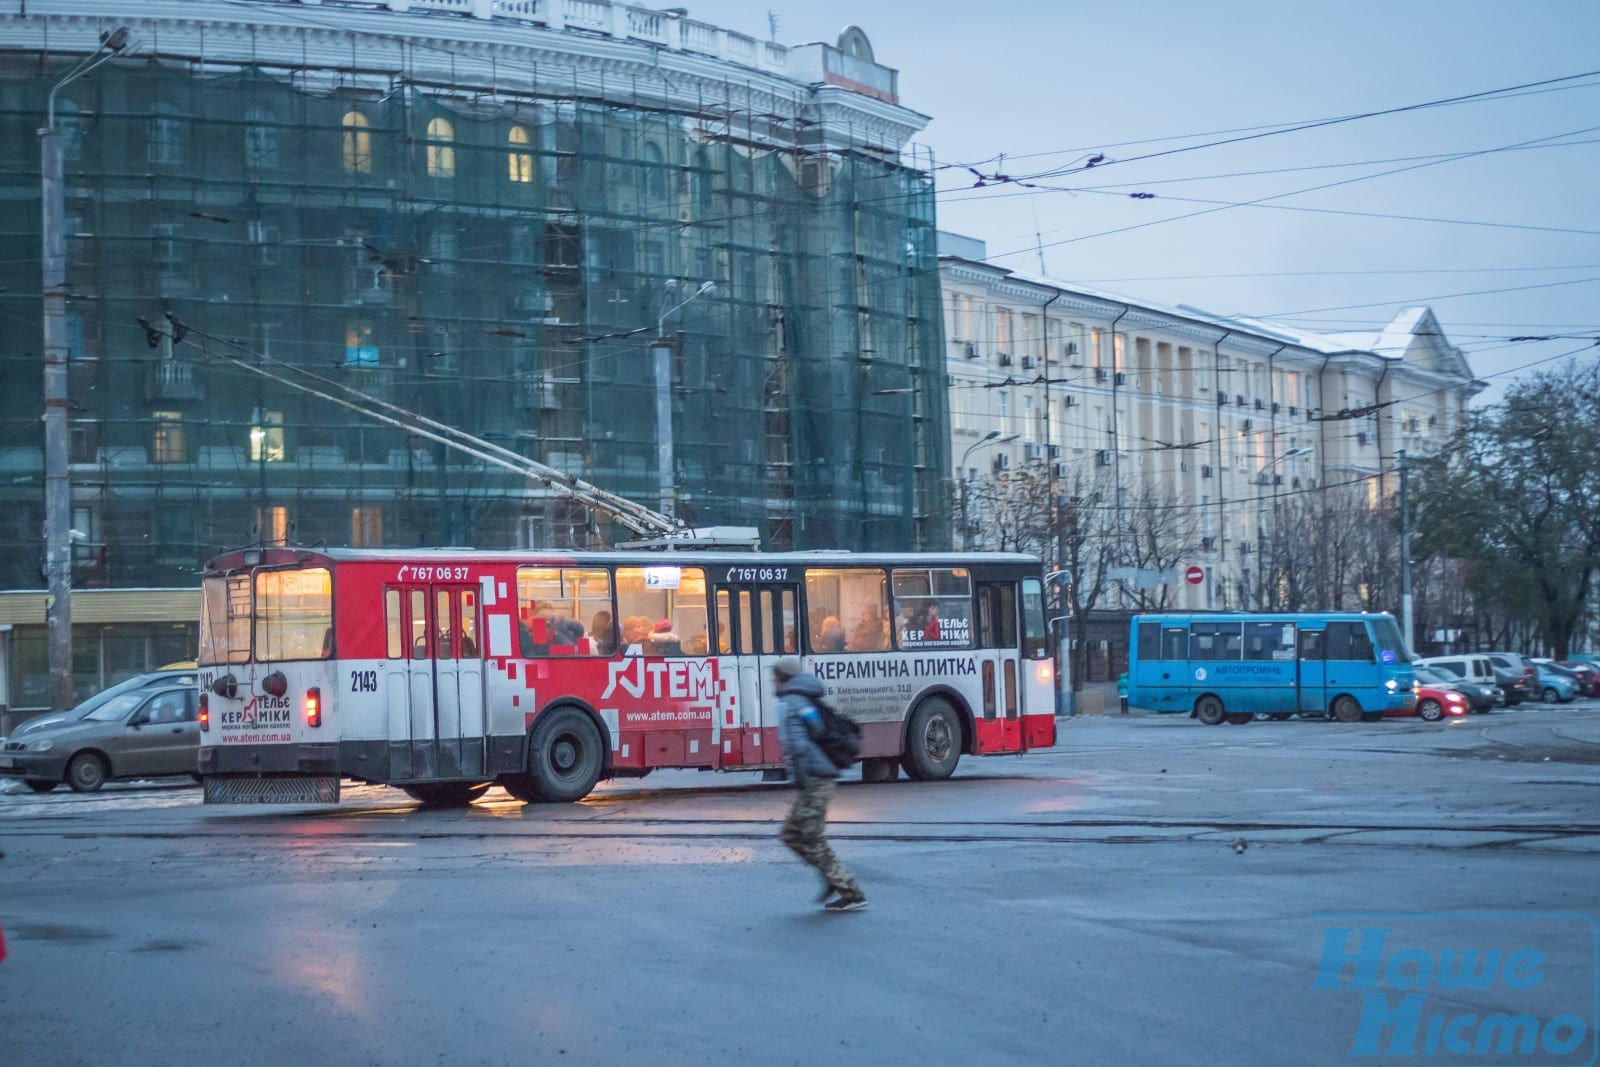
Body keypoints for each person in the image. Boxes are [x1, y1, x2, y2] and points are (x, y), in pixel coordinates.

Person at [773, 656, 866, 912]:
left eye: (774, 676)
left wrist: (801, 778)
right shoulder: (803, 699)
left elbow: (799, 745)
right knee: (790, 834)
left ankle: (851, 892)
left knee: (812, 837)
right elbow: (815, 727)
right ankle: (830, 877)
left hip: (815, 778)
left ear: (780, 678)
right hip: (820, 775)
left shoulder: (790, 703)